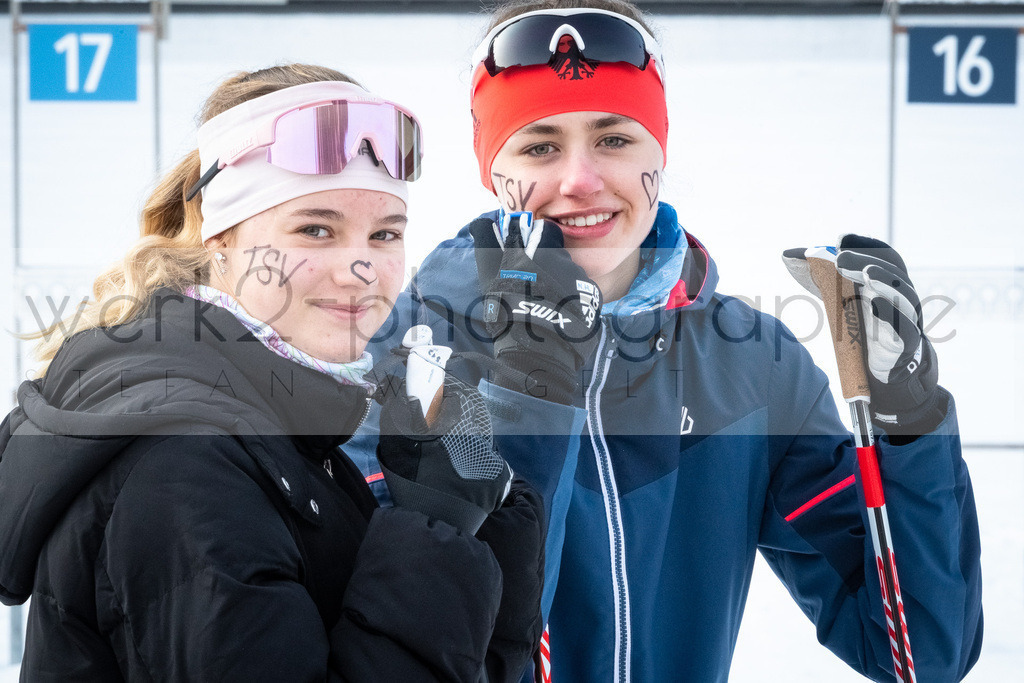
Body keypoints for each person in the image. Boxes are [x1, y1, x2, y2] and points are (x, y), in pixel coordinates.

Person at [346, 2, 983, 681]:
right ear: (492, 168)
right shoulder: (413, 347)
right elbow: (409, 649)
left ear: (660, 149)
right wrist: (528, 399)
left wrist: (908, 424)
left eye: (614, 138)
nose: (580, 180)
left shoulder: (750, 363)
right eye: (540, 146)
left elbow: (918, 653)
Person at [0, 64, 544, 682]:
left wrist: (489, 524)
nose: (361, 271)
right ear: (219, 237)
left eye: (385, 234)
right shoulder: (185, 465)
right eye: (316, 229)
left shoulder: (280, 430)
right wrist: (434, 529)